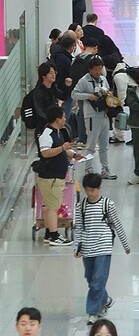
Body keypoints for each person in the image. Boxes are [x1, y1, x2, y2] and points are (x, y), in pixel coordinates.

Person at [75, 173, 131, 325]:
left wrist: (125, 245)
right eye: (87, 190)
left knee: (98, 279)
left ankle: (93, 311)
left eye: (92, 190)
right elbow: (79, 227)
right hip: (87, 247)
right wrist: (77, 246)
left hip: (103, 246)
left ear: (100, 188)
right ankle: (105, 299)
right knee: (90, 278)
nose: (89, 193)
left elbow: (117, 225)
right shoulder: (81, 206)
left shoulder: (108, 204)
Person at [36, 105, 77, 246]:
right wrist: (62, 148)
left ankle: (49, 233)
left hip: (56, 176)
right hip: (50, 177)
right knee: (53, 208)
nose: (65, 119)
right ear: (57, 119)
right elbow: (45, 153)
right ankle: (54, 235)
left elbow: (60, 150)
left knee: (51, 207)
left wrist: (74, 154)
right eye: (63, 117)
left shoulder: (58, 132)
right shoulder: (47, 134)